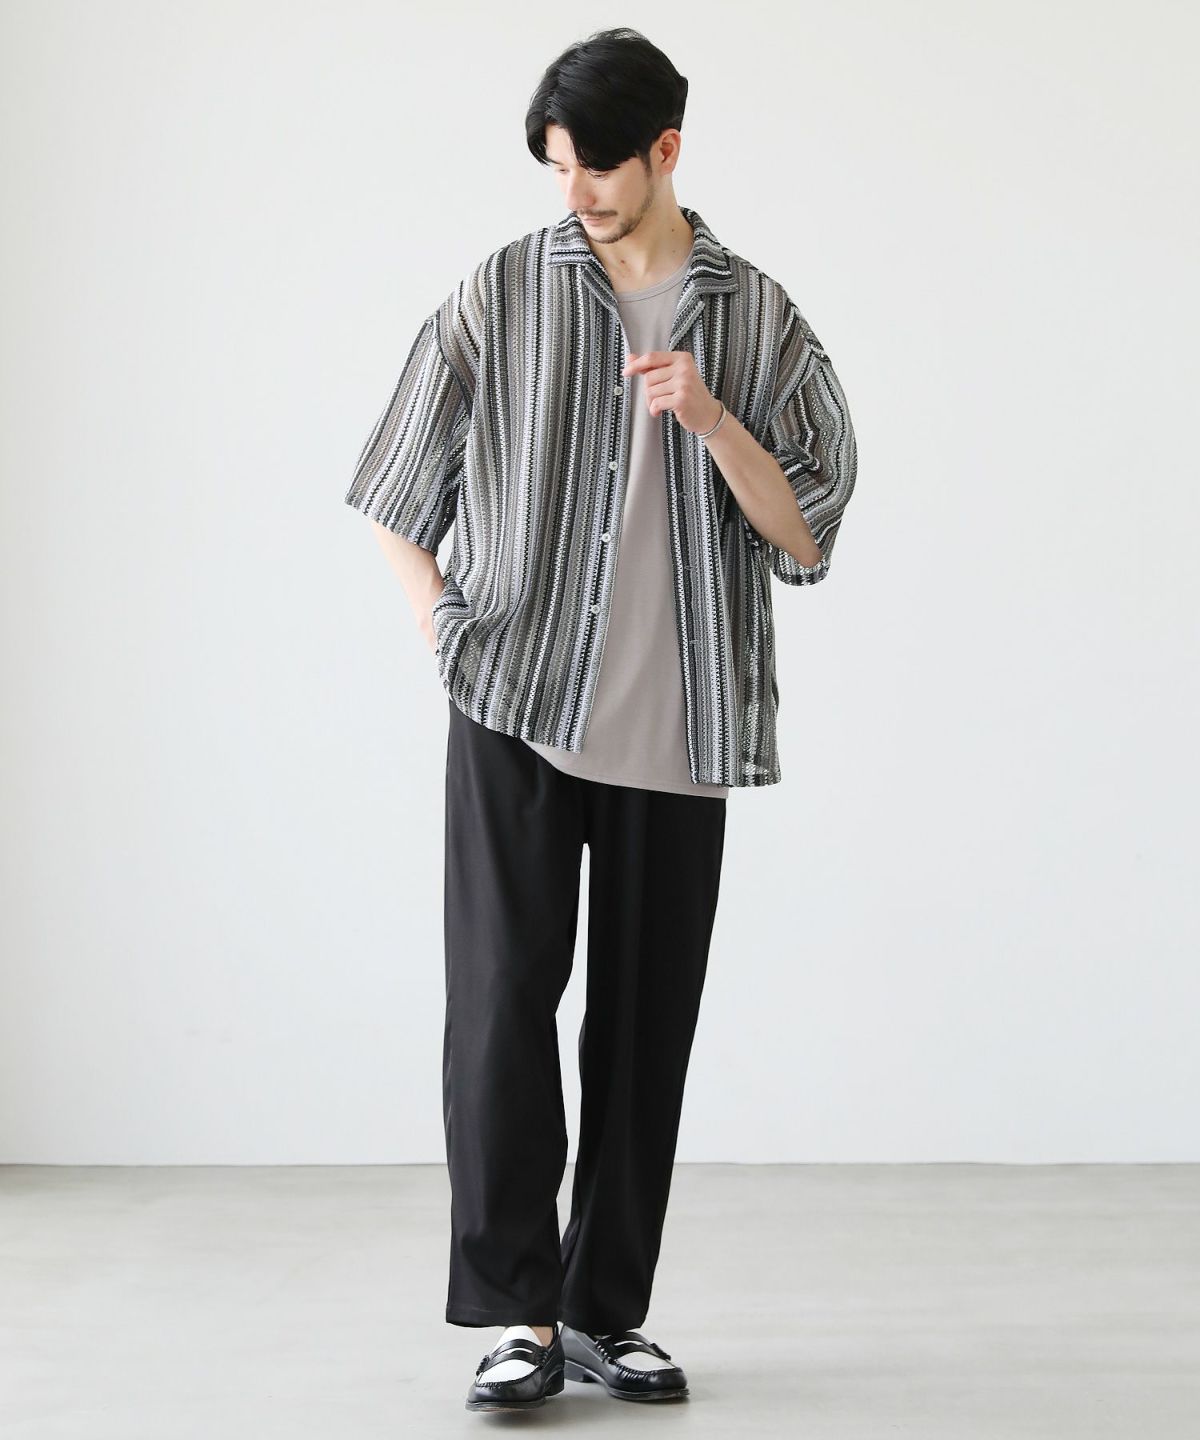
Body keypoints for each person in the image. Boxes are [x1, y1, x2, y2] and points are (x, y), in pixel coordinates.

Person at [343, 25, 857, 1414]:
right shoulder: (502, 291)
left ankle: (603, 1313)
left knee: (643, 1031)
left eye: (597, 171)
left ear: (667, 151)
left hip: (679, 726)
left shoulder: (757, 318)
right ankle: (518, 1315)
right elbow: (393, 484)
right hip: (515, 705)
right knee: (500, 1007)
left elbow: (808, 532)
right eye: (556, 169)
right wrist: (446, 635)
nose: (572, 196)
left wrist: (715, 421)